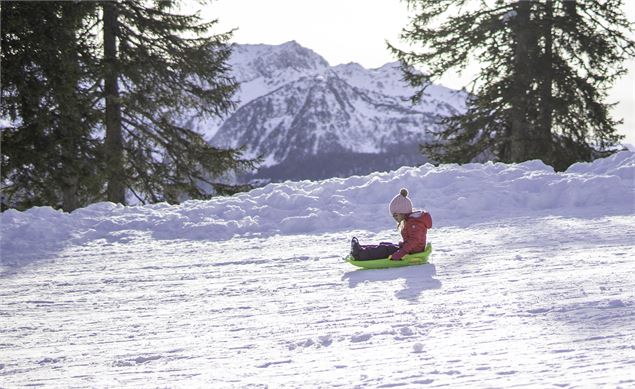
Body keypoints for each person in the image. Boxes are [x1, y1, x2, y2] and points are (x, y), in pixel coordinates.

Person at [350, 188, 432, 261]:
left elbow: (414, 241)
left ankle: (359, 255)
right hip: (410, 249)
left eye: (396, 215)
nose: (394, 218)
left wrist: (399, 254)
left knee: (385, 250)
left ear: (402, 211)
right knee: (384, 245)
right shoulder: (410, 220)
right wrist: (402, 246)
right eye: (393, 216)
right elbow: (412, 241)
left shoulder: (414, 223)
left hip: (412, 252)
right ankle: (360, 249)